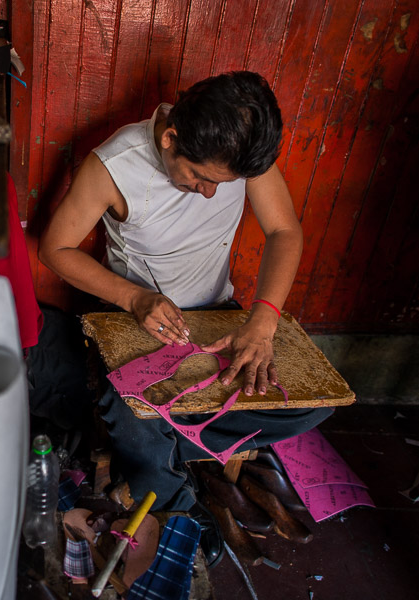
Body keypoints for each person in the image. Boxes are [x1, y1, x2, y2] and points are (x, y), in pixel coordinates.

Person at [38, 71, 333, 512]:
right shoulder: (115, 165)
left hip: (219, 316)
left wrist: (263, 320)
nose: (211, 194)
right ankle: (174, 503)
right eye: (199, 177)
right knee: (134, 412)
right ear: (171, 138)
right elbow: (55, 248)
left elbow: (284, 231)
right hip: (134, 321)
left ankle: (156, 454)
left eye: (224, 183)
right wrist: (134, 298)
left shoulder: (240, 149)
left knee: (312, 405)